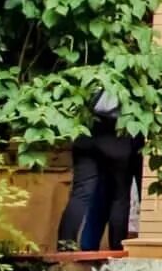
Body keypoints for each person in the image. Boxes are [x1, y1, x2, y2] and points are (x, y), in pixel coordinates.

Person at [56, 91, 140, 254]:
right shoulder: (132, 73)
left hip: (87, 130)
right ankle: (117, 249)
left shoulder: (93, 69)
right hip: (119, 132)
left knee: (80, 194)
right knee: (120, 196)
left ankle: (65, 247)